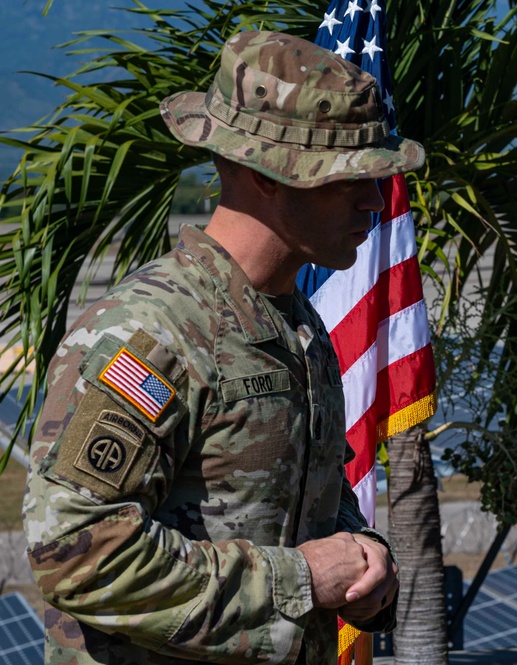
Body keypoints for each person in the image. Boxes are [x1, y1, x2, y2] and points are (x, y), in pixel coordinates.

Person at [21, 30, 423, 664]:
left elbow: (307, 501)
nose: (374, 203)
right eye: (350, 179)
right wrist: (301, 579)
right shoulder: (152, 333)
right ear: (265, 174)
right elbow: (76, 553)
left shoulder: (296, 325)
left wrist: (361, 560)